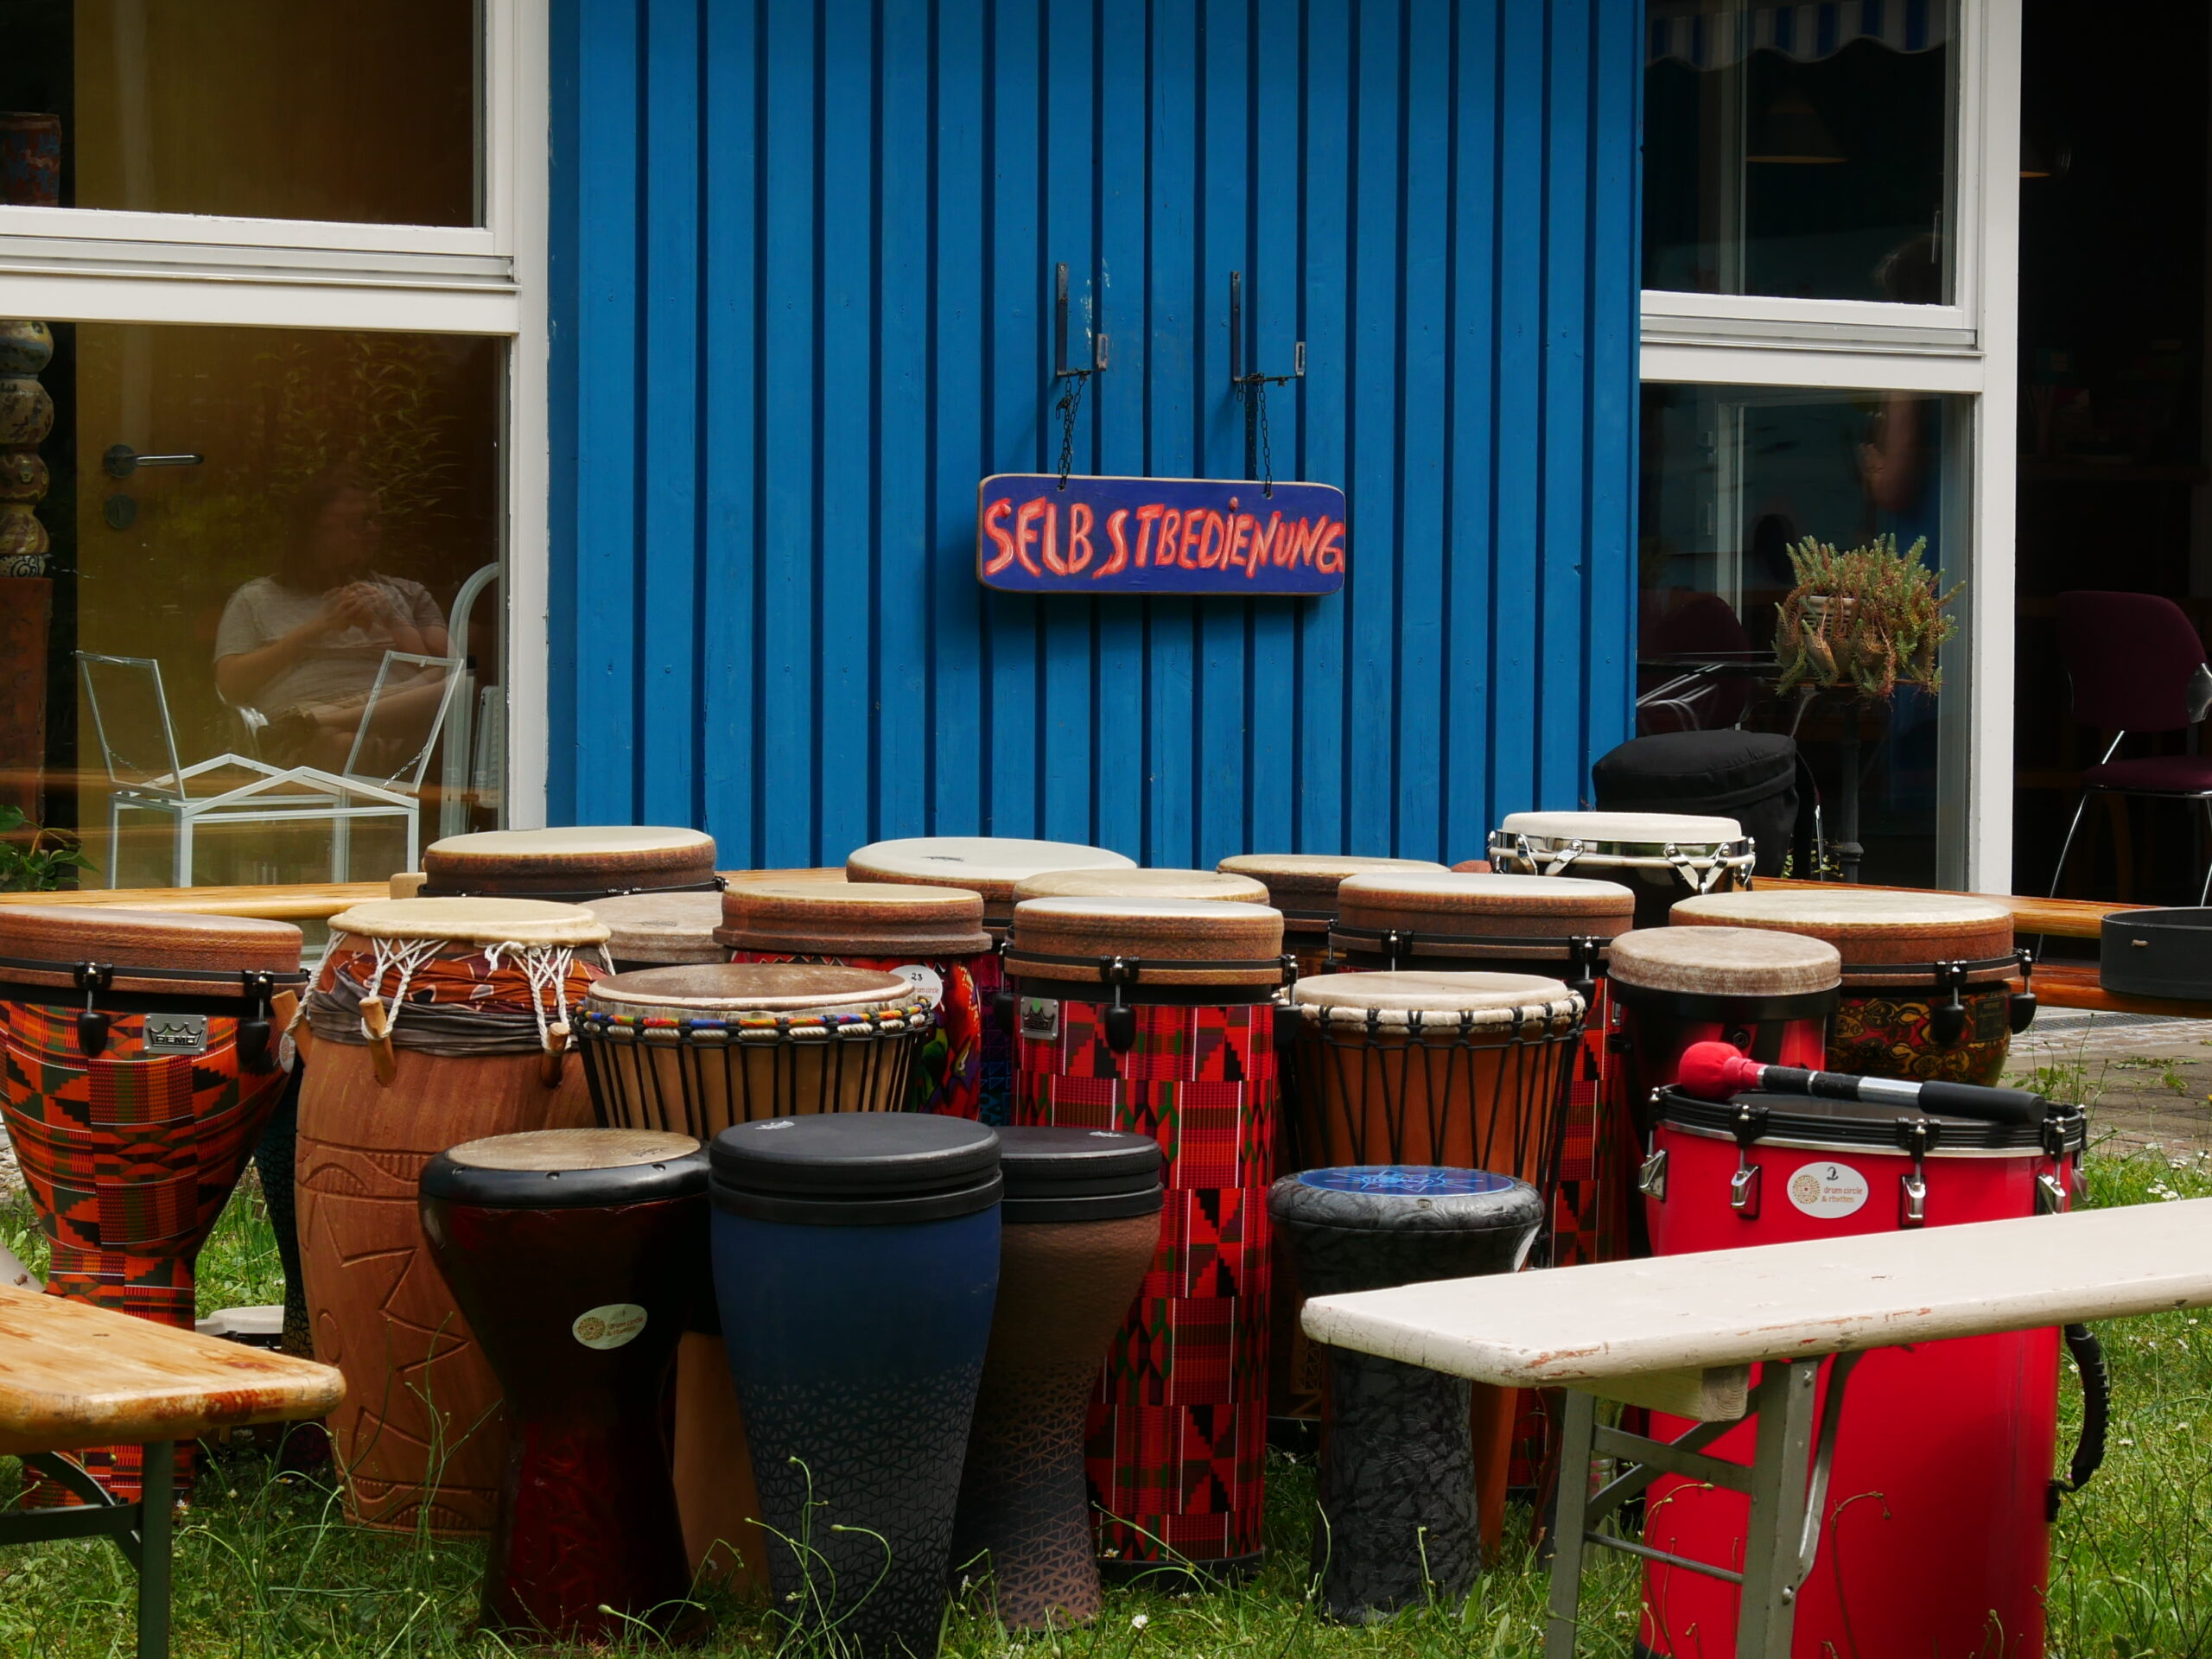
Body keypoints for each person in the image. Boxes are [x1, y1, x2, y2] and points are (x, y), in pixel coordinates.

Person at [214, 472, 452, 772]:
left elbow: (446, 671)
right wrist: (317, 629)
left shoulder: (406, 594)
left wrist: (393, 619)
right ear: (312, 531)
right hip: (308, 722)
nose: (372, 530)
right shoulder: (255, 600)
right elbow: (232, 685)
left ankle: (316, 721)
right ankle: (311, 724)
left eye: (376, 519)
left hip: (399, 717)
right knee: (343, 744)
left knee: (465, 689)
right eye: (357, 523)